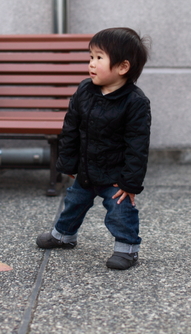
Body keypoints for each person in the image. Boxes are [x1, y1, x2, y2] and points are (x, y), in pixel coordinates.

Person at [36, 27, 151, 270]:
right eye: (91, 57)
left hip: (115, 176)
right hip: (87, 170)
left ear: (122, 67)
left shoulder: (135, 102)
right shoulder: (84, 91)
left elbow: (137, 145)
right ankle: (64, 235)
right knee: (74, 202)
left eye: (99, 58)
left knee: (120, 211)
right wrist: (68, 162)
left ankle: (127, 248)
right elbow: (70, 128)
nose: (92, 63)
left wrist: (130, 183)